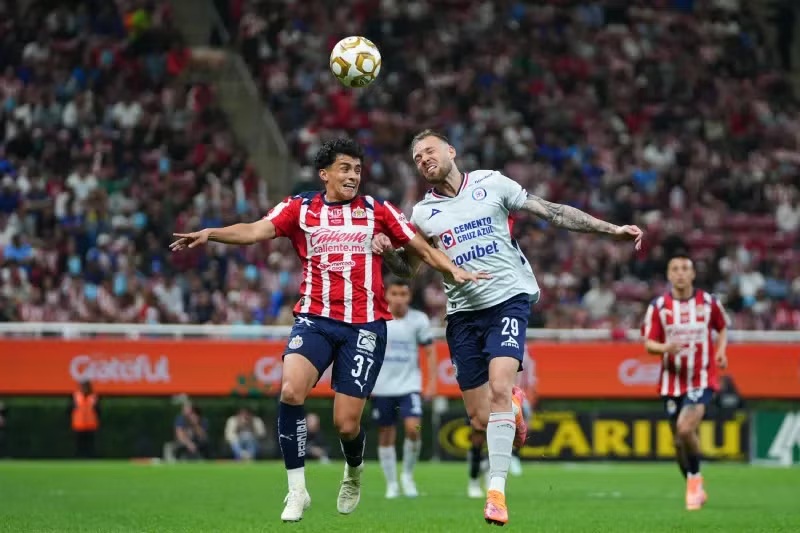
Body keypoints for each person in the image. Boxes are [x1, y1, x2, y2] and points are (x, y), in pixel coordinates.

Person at [170, 138, 487, 522]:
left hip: (365, 325)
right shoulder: (300, 208)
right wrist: (211, 233)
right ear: (325, 174)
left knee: (346, 424)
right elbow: (255, 230)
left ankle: (354, 470)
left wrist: (452, 269)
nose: (353, 176)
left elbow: (420, 248)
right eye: (345, 169)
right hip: (315, 319)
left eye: (357, 169)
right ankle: (297, 490)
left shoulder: (378, 210)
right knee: (290, 390)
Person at [373, 129, 643, 525]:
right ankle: (513, 408)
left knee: (500, 386)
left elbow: (551, 211)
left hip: (507, 301)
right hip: (462, 316)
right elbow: (408, 270)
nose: (424, 159)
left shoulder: (491, 183)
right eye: (417, 157)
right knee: (480, 420)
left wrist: (611, 229)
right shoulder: (422, 214)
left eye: (429, 151)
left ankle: (496, 493)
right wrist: (386, 252)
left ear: (451, 151)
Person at [643, 254, 729, 511]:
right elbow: (649, 343)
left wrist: (721, 351)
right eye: (675, 269)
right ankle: (693, 481)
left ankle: (694, 482)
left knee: (684, 428)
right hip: (671, 383)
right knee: (679, 441)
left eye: (684, 268)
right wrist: (665, 347)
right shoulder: (659, 306)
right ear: (669, 275)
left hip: (701, 378)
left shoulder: (709, 303)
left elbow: (722, 327)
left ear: (693, 274)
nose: (680, 273)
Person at [370, 277, 436, 499]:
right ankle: (391, 483)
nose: (399, 299)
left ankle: (407, 476)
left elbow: (430, 351)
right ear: (386, 295)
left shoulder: (419, 320)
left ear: (409, 296)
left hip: (409, 385)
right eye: (394, 294)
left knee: (413, 429)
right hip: (382, 387)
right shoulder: (376, 318)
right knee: (386, 434)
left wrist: (431, 382)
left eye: (403, 294)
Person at [70, 380, 99, 459]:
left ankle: (91, 458)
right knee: (79, 444)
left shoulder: (94, 397)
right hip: (78, 424)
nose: (84, 388)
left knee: (90, 444)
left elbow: (98, 411)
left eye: (86, 387)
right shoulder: (76, 397)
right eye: (83, 387)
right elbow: (70, 410)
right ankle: (78, 458)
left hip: (91, 424)